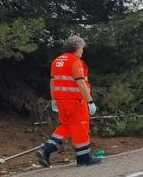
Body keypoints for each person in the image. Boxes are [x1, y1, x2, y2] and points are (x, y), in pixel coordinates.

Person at [36, 35, 101, 167]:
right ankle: (84, 158)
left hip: (61, 100)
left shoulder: (57, 61)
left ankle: (46, 150)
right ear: (76, 48)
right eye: (82, 48)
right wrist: (90, 102)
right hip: (75, 100)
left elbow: (52, 82)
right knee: (80, 126)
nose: (82, 51)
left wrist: (54, 99)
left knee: (65, 126)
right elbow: (81, 83)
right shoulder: (75, 61)